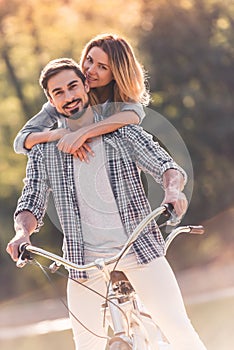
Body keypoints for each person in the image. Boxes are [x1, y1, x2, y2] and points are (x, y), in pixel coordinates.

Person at [7, 58, 207, 350]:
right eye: (58, 92)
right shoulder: (44, 151)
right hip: (82, 262)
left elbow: (166, 166)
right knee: (87, 345)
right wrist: (22, 233)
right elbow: (32, 199)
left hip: (139, 250)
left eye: (73, 86)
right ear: (50, 100)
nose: (69, 97)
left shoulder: (121, 131)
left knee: (179, 330)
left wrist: (173, 191)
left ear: (86, 86)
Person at [13, 33, 148, 161]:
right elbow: (20, 142)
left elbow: (134, 115)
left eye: (102, 67)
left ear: (116, 73)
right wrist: (59, 134)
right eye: (89, 60)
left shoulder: (121, 101)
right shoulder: (69, 99)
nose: (90, 70)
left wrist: (82, 133)